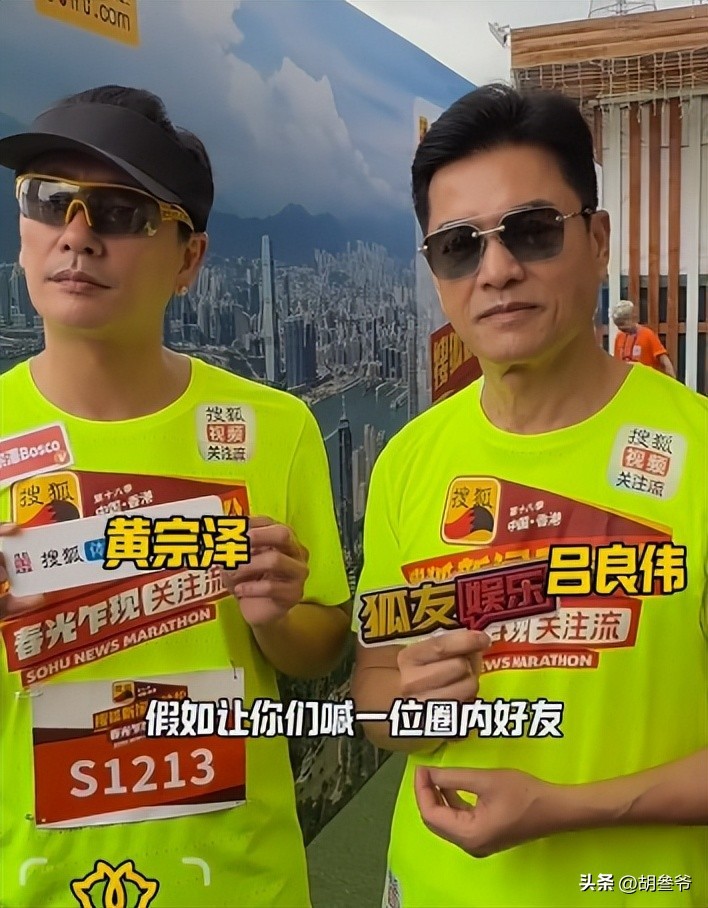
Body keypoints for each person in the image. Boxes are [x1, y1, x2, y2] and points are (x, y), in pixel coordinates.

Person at [351, 84, 707, 908]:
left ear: (598, 240)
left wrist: (565, 809)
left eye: (533, 230)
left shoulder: (696, 450)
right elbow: (372, 691)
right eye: (458, 247)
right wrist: (408, 704)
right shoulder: (407, 461)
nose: (498, 270)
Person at [0, 85, 350, 908]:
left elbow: (322, 642)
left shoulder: (277, 428)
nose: (76, 236)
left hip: (235, 877)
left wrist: (277, 616)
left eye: (119, 213)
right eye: (49, 200)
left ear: (189, 259)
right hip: (31, 873)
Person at [611, 299, 676, 376]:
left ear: (633, 318)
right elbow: (617, 364)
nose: (621, 328)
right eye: (618, 326)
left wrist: (672, 380)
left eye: (623, 324)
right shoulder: (619, 337)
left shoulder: (647, 334)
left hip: (647, 379)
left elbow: (664, 360)